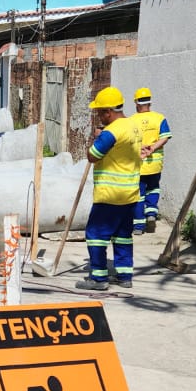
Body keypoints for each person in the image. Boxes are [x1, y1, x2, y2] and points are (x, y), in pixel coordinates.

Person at [78, 86, 142, 291]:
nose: (99, 117)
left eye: (100, 113)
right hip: (129, 194)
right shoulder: (133, 126)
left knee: (96, 235)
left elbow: (92, 155)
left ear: (108, 112)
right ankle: (124, 276)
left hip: (109, 195)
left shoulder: (111, 132)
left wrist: (98, 137)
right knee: (123, 236)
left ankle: (98, 278)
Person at [131, 87, 172, 234]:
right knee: (153, 188)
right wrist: (153, 147)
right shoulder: (159, 118)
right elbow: (165, 137)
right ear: (150, 102)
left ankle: (138, 227)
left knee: (138, 194)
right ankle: (151, 213)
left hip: (139, 165)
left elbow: (128, 141)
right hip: (155, 164)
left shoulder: (131, 120)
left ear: (136, 103)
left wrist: (140, 147)